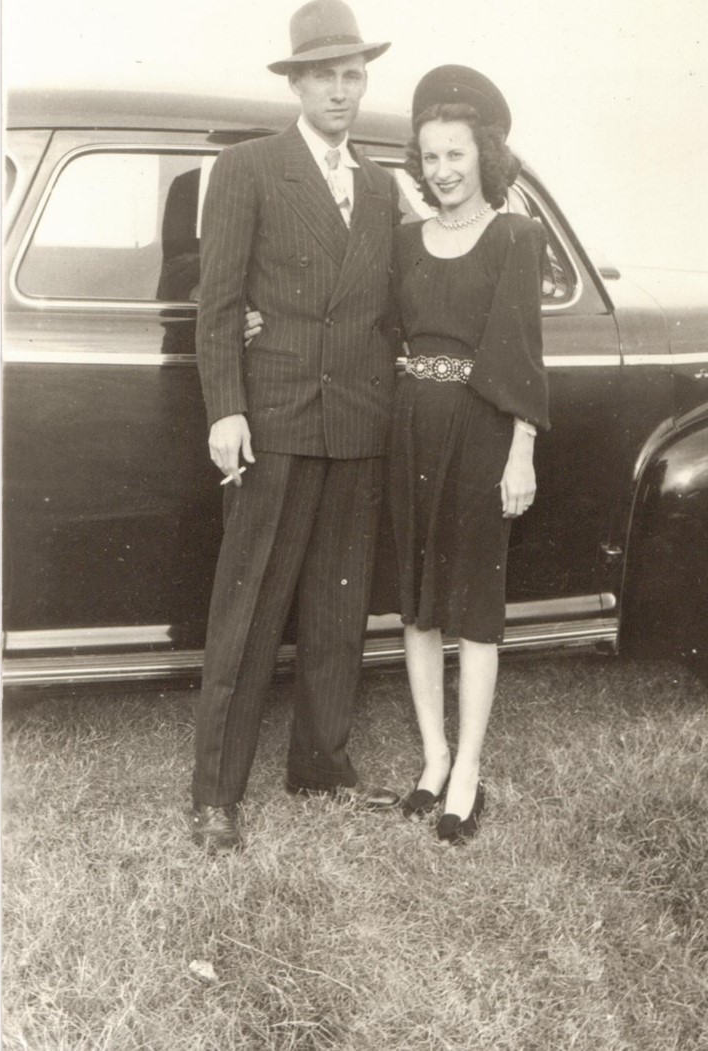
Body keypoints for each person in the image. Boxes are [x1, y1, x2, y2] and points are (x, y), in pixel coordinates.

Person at [192, 0, 401, 852]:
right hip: (274, 419)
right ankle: (215, 793)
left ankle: (320, 759)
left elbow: (387, 307)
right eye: (326, 75)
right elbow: (219, 304)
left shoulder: (384, 186)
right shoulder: (248, 169)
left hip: (358, 422)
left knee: (338, 605)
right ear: (299, 82)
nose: (342, 90)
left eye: (354, 74)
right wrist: (226, 408)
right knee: (247, 609)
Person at [388, 66, 549, 844]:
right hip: (408, 432)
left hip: (482, 432)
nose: (441, 172)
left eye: (455, 155)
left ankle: (469, 771)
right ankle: (432, 757)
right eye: (429, 157)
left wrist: (520, 452)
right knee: (417, 602)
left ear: (482, 154)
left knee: (474, 610)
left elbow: (521, 353)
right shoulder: (401, 241)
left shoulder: (516, 237)